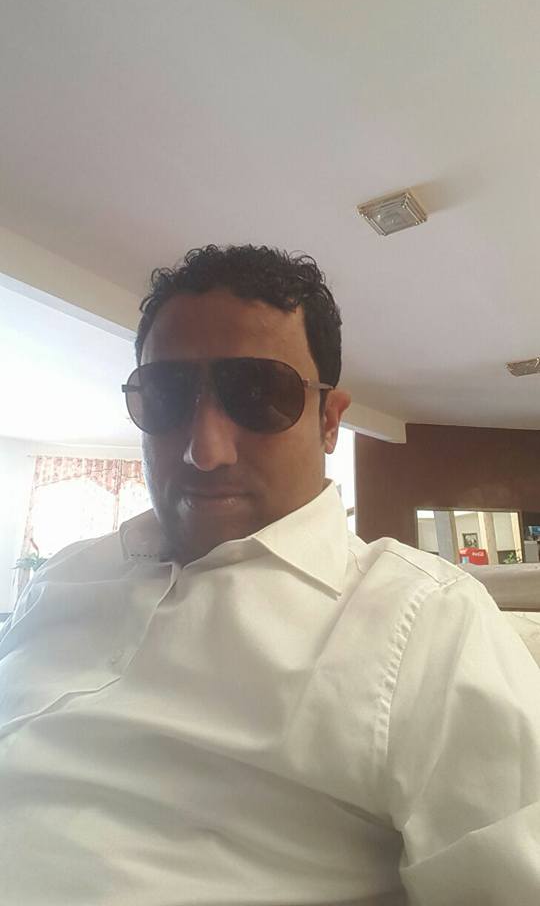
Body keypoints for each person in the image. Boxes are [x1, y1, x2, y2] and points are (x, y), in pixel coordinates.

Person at [0, 244, 539, 906]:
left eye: (259, 395)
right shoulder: (64, 574)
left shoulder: (430, 623)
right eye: (166, 395)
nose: (204, 450)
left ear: (330, 421)